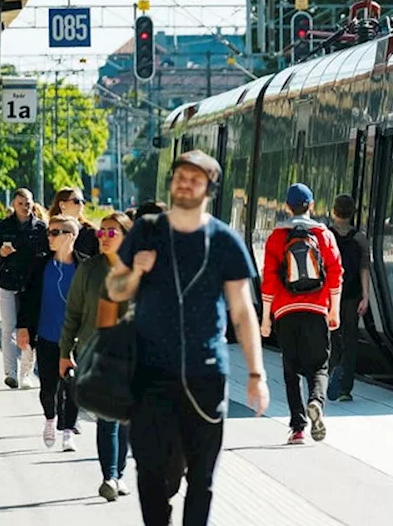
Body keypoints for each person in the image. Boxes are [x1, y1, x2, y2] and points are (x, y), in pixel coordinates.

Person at [106, 150, 269, 526]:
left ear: (209, 189)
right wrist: (135, 274)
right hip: (149, 373)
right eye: (180, 176)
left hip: (206, 373)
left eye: (195, 179)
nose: (185, 183)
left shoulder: (225, 241)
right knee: (149, 469)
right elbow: (114, 289)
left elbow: (243, 311)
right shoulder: (147, 231)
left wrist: (256, 374)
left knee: (201, 476)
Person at [261, 183, 342, 444]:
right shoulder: (323, 234)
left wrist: (265, 319)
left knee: (291, 370)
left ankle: (297, 427)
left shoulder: (277, 236)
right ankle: (316, 401)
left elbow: (269, 280)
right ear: (312, 205)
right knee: (319, 366)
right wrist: (334, 311)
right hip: (317, 308)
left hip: (285, 311)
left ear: (287, 206)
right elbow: (336, 274)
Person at [61, 211, 134, 502]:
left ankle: (120, 472)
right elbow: (73, 314)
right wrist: (65, 352)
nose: (103, 237)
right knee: (107, 417)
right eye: (101, 232)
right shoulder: (88, 270)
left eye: (111, 232)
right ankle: (110, 477)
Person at [16, 215, 82, 451]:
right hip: (46, 335)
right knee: (48, 388)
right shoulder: (41, 264)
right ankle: (50, 418)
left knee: (73, 385)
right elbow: (26, 298)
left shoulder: (83, 266)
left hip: (75, 339)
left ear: (70, 236)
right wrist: (22, 327)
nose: (50, 237)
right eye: (49, 233)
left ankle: (67, 431)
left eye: (55, 233)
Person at [0, 188, 49, 389]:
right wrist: (0, 253)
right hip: (8, 282)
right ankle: (10, 372)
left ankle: (26, 373)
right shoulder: (3, 225)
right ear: (13, 204)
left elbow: (47, 254)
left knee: (30, 329)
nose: (25, 207)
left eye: (28, 203)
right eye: (21, 203)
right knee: (8, 327)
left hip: (32, 285)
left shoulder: (40, 227)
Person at [326, 194, 370, 403]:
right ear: (352, 213)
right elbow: (364, 269)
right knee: (350, 340)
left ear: (334, 211)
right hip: (352, 295)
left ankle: (332, 370)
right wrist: (366, 297)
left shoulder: (326, 236)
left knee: (332, 338)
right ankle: (345, 388)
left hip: (330, 296)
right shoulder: (359, 239)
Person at [49, 188, 99, 261]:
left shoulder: (91, 233)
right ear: (62, 205)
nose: (81, 205)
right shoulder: (48, 232)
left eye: (83, 202)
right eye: (76, 201)